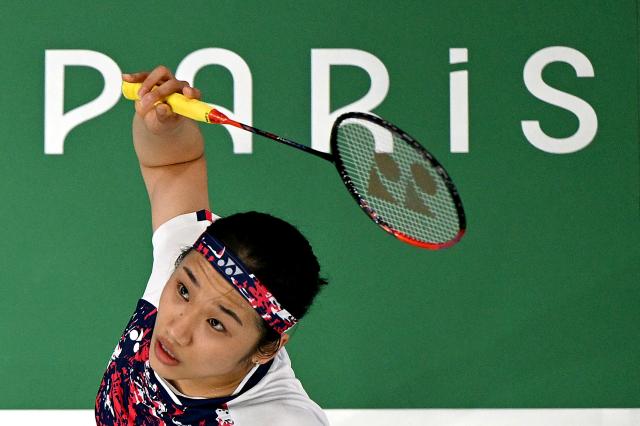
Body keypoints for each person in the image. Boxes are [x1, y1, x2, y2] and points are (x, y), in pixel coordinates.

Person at [95, 66, 329, 425]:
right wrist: (162, 123)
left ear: (267, 348)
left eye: (216, 324)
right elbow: (172, 164)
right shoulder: (192, 255)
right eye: (184, 291)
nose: (177, 329)